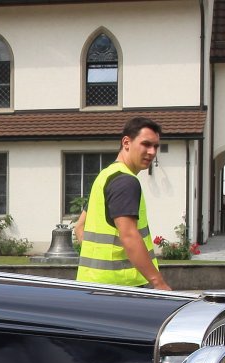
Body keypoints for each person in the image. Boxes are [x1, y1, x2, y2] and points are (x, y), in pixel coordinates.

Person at [73, 117, 171, 290]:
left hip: (92, 284)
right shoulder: (126, 182)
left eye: (156, 146)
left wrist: (97, 264)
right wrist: (159, 283)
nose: (152, 152)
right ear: (126, 142)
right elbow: (129, 235)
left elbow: (79, 227)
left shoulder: (106, 176)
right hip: (119, 288)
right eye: (146, 144)